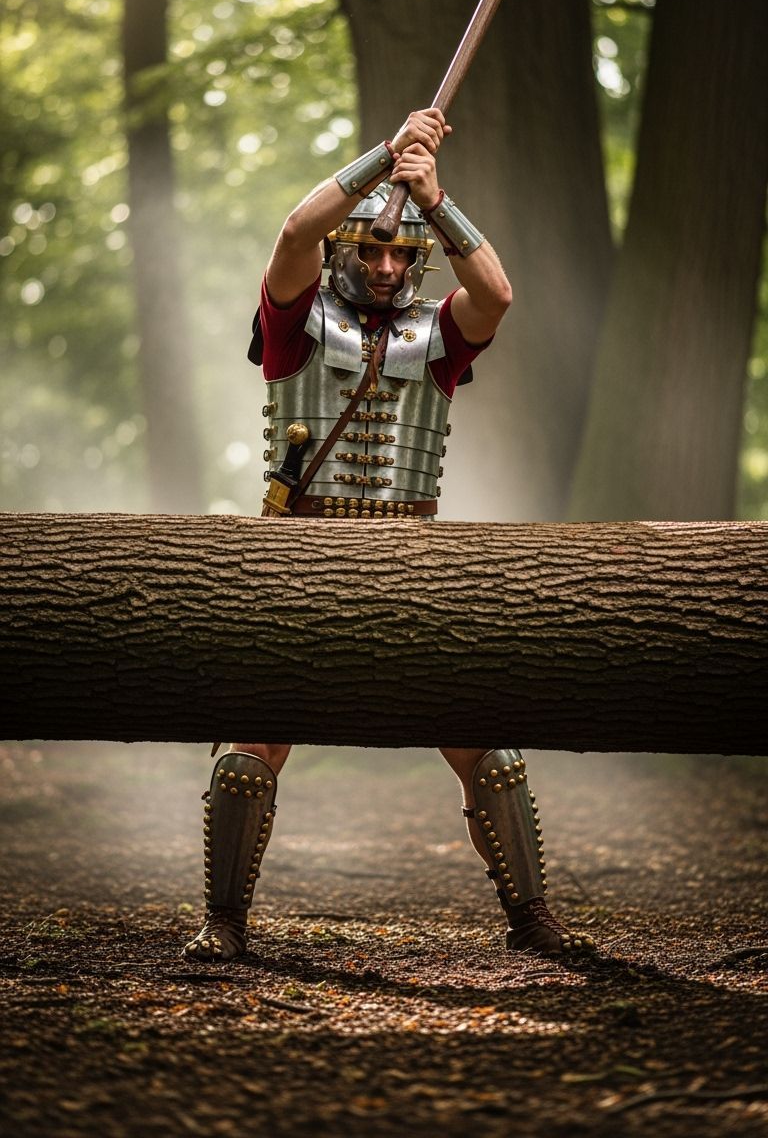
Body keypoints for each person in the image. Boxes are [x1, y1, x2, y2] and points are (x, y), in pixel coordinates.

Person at [184, 108, 595, 963]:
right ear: (346, 253)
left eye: (399, 254)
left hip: (411, 560)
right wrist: (381, 161)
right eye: (370, 250)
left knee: (492, 750)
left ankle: (533, 921)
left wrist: (434, 199)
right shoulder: (294, 325)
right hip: (301, 556)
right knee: (246, 755)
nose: (382, 265)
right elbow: (296, 227)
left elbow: (499, 294)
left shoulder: (436, 337)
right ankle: (223, 921)